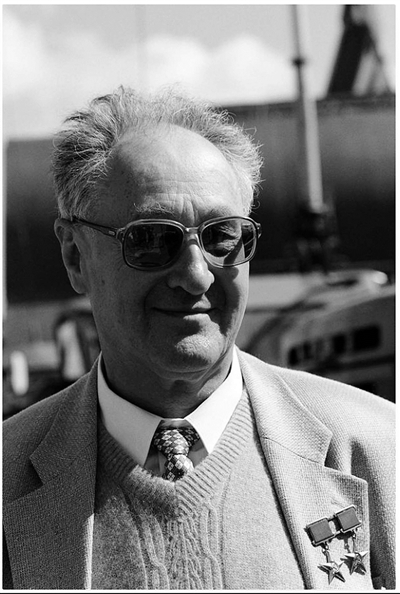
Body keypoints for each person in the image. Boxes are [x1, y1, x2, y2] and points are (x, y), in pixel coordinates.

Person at [3, 86, 395, 591]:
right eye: (151, 239)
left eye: (222, 236)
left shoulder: (379, 453)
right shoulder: (8, 478)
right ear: (75, 256)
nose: (196, 275)